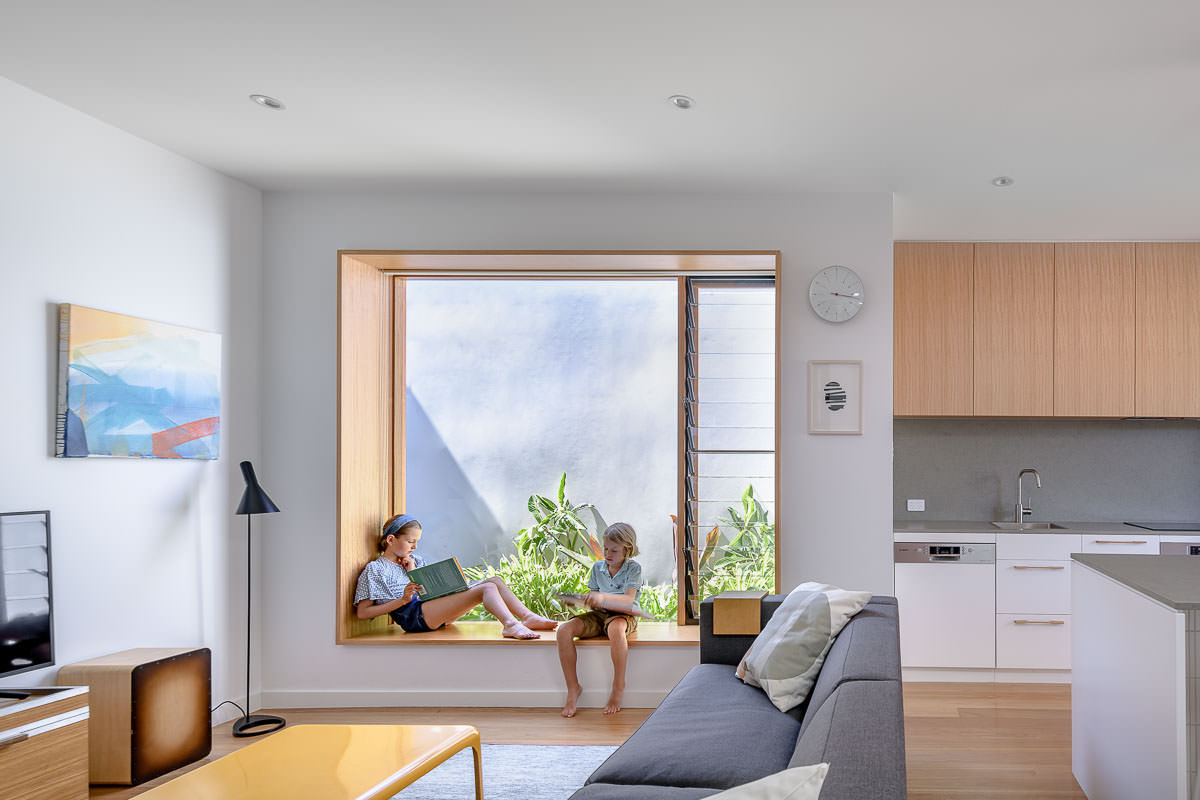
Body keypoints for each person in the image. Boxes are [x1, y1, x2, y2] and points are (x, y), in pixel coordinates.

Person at [353, 513, 558, 639]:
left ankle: (528, 617)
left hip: (431, 608)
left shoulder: (413, 561)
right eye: (410, 541)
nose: (415, 546)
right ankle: (511, 626)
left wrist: (413, 570)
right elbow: (363, 613)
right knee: (486, 589)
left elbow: (426, 591)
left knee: (494, 581)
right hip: (414, 617)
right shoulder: (375, 569)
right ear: (391, 539)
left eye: (417, 542)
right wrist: (402, 600)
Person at [557, 522, 644, 717]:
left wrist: (602, 598)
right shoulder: (598, 567)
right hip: (599, 614)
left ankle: (618, 686)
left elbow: (628, 600)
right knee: (564, 631)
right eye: (606, 548)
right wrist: (580, 602)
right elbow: (594, 600)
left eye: (614, 550)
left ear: (627, 549)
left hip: (623, 615)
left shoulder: (634, 569)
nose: (608, 554)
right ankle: (573, 688)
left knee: (615, 630)